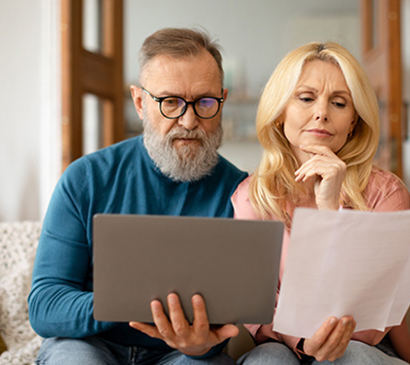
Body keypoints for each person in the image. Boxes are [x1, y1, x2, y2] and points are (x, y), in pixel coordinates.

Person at [28, 28, 248, 365]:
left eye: (205, 102)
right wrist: (133, 300)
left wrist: (202, 344)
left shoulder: (242, 192)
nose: (189, 121)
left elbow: (227, 323)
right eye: (170, 101)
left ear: (222, 99)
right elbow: (46, 306)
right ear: (141, 102)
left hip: (182, 357)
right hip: (90, 345)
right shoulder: (85, 179)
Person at [231, 42, 410, 364]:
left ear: (354, 121)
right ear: (280, 113)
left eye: (339, 103)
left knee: (347, 357)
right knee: (268, 361)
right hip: (283, 344)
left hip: (364, 346)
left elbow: (371, 324)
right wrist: (303, 340)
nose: (322, 112)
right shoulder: (251, 195)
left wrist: (331, 209)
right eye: (305, 98)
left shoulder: (387, 194)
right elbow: (257, 309)